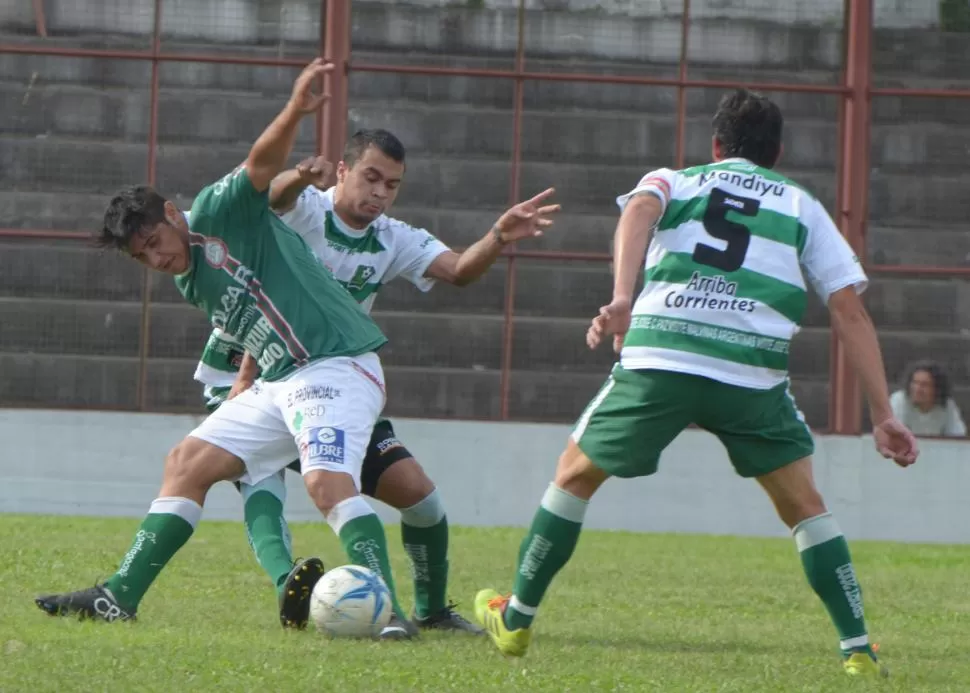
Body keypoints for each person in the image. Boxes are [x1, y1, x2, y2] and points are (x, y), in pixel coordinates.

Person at [473, 88, 919, 677]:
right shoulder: (801, 206)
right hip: (749, 372)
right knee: (806, 507)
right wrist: (882, 414)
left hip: (665, 353)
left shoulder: (676, 180)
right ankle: (857, 648)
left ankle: (517, 619)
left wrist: (623, 298)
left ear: (715, 147)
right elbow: (849, 310)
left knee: (574, 476)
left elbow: (637, 211)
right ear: (776, 152)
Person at [34, 60, 418, 639]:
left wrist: (294, 109)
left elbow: (263, 165)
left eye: (155, 243)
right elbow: (261, 324)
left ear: (171, 215)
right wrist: (244, 383)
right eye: (142, 257)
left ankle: (389, 614)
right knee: (186, 463)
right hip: (284, 379)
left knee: (324, 483)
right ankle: (118, 596)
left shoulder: (217, 210)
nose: (156, 259)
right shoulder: (190, 279)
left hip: (338, 364)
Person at [197, 129, 558, 633]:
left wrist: (497, 235)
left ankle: (431, 610)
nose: (380, 193)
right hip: (247, 362)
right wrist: (300, 174)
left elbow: (457, 270)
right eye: (371, 177)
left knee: (421, 499)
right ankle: (288, 586)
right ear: (342, 171)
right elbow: (271, 197)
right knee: (260, 477)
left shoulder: (393, 237)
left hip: (331, 381)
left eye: (392, 185)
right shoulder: (306, 210)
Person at [890, 360, 966, 437]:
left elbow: (958, 436)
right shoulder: (899, 400)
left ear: (937, 388)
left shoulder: (947, 405)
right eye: (915, 382)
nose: (917, 389)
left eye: (924, 385)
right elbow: (893, 435)